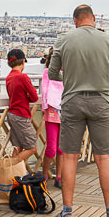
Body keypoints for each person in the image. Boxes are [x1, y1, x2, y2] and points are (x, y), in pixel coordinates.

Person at [48, 4, 109, 217]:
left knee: (69, 158)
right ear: (92, 19)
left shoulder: (64, 39)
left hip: (73, 101)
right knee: (103, 158)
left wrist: (71, 76)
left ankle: (67, 214)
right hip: (100, 102)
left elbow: (52, 74)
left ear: (75, 20)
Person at [5, 49, 39, 163]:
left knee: (18, 146)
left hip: (12, 115)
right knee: (32, 147)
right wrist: (27, 97)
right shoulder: (23, 77)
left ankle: (12, 176)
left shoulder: (9, 77)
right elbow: (34, 97)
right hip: (21, 115)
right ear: (23, 62)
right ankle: (10, 167)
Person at [40, 48, 64, 187]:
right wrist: (44, 107)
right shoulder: (47, 73)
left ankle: (59, 176)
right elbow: (44, 90)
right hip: (52, 111)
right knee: (51, 148)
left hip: (64, 110)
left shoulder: (67, 73)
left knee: (61, 148)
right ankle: (44, 175)